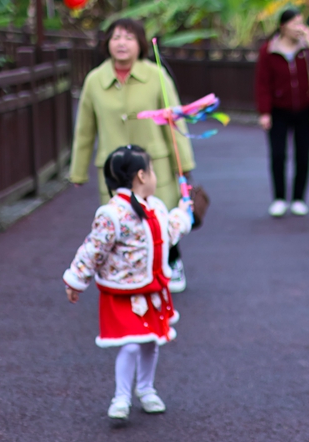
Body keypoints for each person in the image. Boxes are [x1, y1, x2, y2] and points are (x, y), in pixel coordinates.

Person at [63, 145, 193, 422]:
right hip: (123, 292)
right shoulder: (112, 214)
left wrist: (182, 214)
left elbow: (168, 234)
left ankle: (146, 389)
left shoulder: (155, 207)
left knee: (150, 342)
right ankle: (121, 397)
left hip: (151, 290)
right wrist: (77, 280)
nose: (156, 176)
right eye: (153, 170)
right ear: (142, 176)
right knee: (131, 343)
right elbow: (93, 250)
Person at [69, 18, 195, 293]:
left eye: (128, 37)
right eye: (116, 37)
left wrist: (183, 165)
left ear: (140, 44)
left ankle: (172, 263)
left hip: (154, 167)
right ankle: (125, 276)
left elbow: (175, 122)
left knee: (161, 220)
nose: (122, 43)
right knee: (119, 222)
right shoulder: (94, 80)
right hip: (114, 171)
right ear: (107, 44)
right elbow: (84, 130)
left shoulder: (156, 76)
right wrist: (78, 171)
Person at [255, 8, 309, 217]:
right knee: (278, 154)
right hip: (278, 110)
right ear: (283, 26)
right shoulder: (269, 50)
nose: (299, 28)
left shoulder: (306, 48)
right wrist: (264, 112)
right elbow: (262, 82)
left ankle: (298, 198)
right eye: (295, 24)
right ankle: (279, 198)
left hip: (305, 109)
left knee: (303, 155)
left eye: (301, 23)